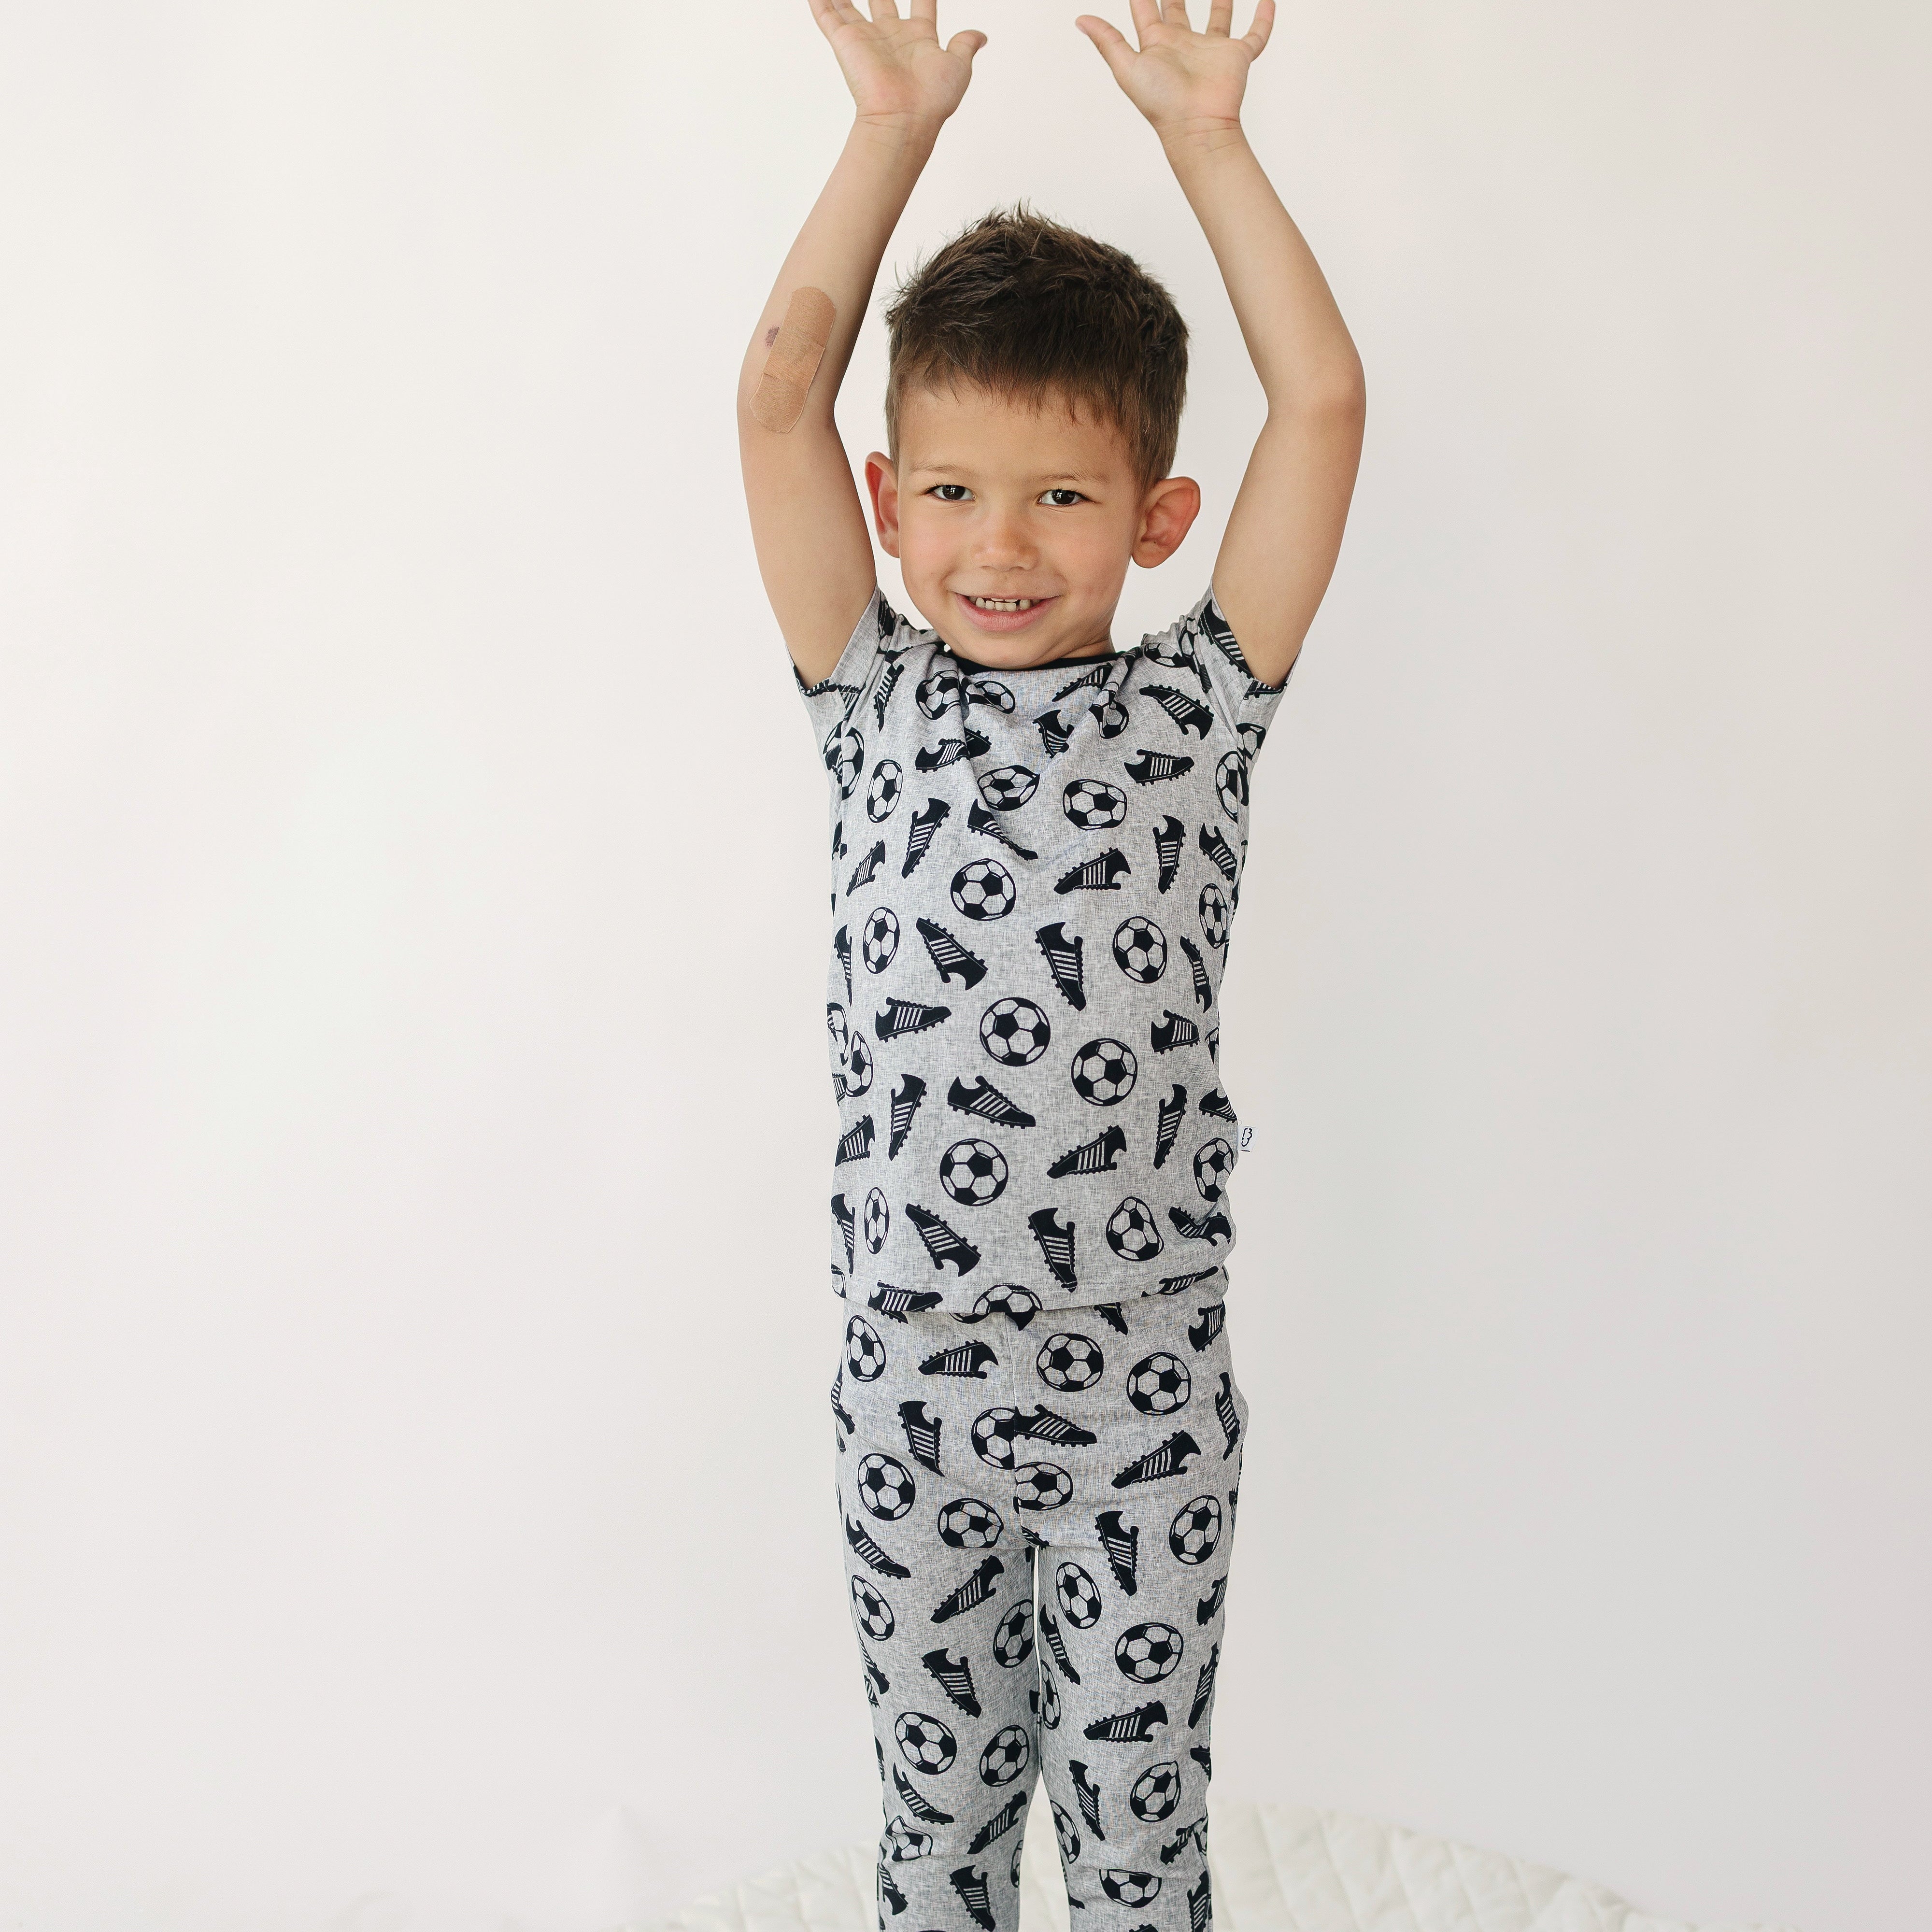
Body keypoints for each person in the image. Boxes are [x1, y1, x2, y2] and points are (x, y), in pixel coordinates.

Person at [736, 3, 1363, 1926]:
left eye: (1062, 496)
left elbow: (1322, 407)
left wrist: (1209, 143)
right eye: (949, 491)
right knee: (934, 1842)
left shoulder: (1200, 708)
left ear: (1161, 518)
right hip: (910, 1394)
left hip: (1142, 1412)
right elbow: (775, 397)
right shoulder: (868, 693)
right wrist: (890, 132)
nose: (997, 543)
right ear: (886, 503)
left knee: (1135, 1844)